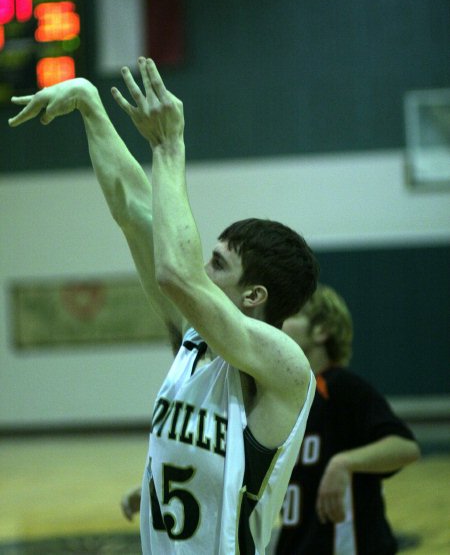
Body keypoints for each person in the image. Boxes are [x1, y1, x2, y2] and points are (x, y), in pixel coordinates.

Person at [8, 58, 320, 555]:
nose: (202, 268)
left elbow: (175, 271)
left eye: (217, 264)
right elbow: (134, 210)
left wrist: (169, 146)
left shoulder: (284, 366)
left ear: (253, 296)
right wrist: (89, 102)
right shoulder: (196, 339)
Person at [274, 284, 421, 555]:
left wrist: (345, 462)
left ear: (321, 331)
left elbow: (405, 447)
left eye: (293, 313)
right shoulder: (288, 396)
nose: (281, 321)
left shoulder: (343, 388)